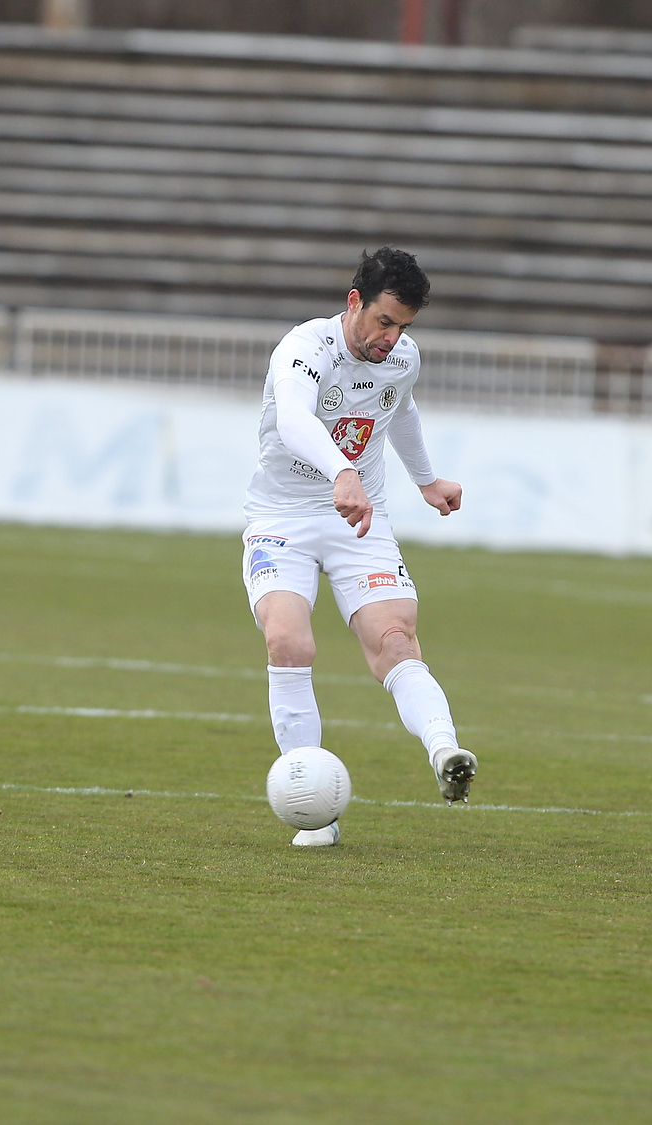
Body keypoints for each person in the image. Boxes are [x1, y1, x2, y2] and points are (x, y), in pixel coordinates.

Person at [242, 247, 475, 845]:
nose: (392, 339)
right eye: (384, 321)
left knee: (395, 640)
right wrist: (342, 472)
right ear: (354, 302)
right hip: (283, 517)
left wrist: (426, 480)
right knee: (287, 640)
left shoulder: (401, 358)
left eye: (403, 327)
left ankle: (445, 751)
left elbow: (401, 411)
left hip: (360, 520)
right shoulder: (304, 349)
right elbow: (294, 421)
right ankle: (316, 815)